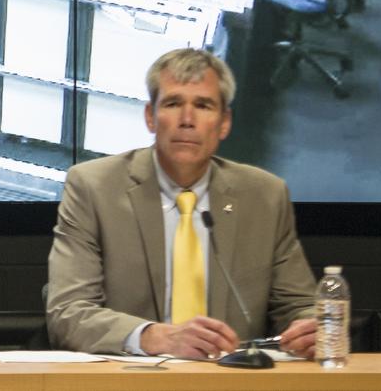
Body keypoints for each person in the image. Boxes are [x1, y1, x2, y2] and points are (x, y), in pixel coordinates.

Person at [46, 48, 317, 359]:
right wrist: (154, 337)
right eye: (173, 103)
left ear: (224, 122)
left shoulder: (265, 196)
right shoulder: (94, 187)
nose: (187, 120)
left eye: (203, 106)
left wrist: (311, 328)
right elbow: (68, 313)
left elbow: (298, 305)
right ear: (150, 116)